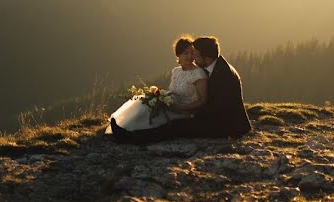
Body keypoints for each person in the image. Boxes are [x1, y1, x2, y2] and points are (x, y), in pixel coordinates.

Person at [111, 35, 252, 143]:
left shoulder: (223, 74)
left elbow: (218, 107)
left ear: (207, 58)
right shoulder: (213, 65)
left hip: (226, 125)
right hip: (212, 115)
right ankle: (128, 129)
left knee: (174, 127)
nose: (193, 58)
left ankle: (131, 138)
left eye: (196, 54)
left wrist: (187, 111)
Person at [106, 36, 209, 133]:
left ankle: (129, 133)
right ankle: (124, 127)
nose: (190, 56)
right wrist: (161, 97)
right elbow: (172, 92)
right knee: (143, 105)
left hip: (185, 113)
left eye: (192, 53)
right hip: (171, 107)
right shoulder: (176, 71)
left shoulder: (198, 73)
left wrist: (181, 108)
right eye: (186, 53)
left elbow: (202, 101)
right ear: (178, 55)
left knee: (151, 115)